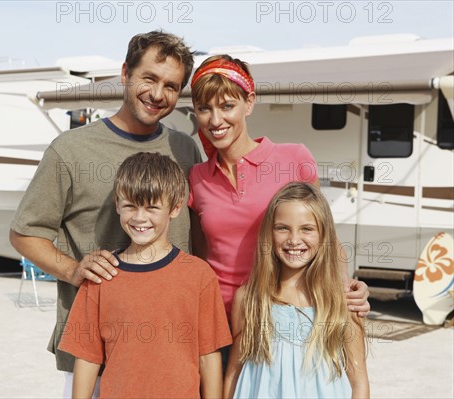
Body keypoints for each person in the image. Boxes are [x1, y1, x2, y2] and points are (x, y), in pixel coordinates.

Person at [9, 30, 201, 388]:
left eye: (172, 86)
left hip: (172, 348)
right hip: (95, 353)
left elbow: (198, 235)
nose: (158, 94)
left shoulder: (184, 149)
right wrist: (73, 269)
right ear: (126, 73)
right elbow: (24, 233)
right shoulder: (70, 150)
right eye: (149, 78)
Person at [188, 55, 369, 321]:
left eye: (227, 106)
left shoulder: (294, 159)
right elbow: (201, 259)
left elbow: (326, 236)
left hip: (282, 317)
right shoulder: (197, 177)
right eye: (205, 109)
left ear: (249, 103)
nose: (216, 120)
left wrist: (347, 286)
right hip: (219, 321)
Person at [58, 152, 232, 398]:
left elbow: (209, 355)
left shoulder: (199, 276)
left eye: (152, 207)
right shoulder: (100, 276)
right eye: (130, 206)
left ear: (175, 207)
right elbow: (87, 357)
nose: (139, 218)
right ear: (117, 204)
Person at [224, 182, 370, 398]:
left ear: (324, 235)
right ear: (269, 233)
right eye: (282, 228)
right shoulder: (249, 300)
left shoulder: (342, 302)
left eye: (307, 229)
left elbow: (359, 383)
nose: (293, 240)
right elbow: (233, 375)